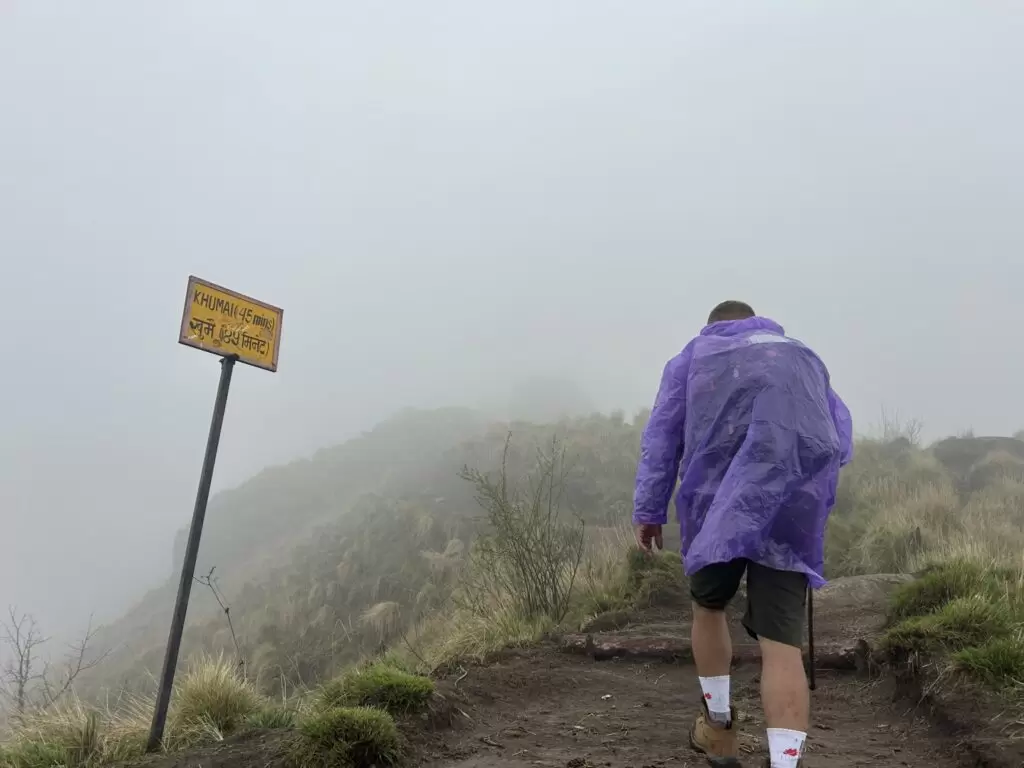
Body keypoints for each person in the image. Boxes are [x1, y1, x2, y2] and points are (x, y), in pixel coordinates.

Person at [632, 300, 853, 768]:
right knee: (782, 646)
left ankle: (718, 730)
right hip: (790, 511)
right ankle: (785, 762)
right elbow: (838, 437)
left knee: (709, 607)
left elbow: (662, 438)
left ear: (712, 327)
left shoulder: (694, 358)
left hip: (715, 509)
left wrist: (650, 511)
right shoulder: (800, 355)